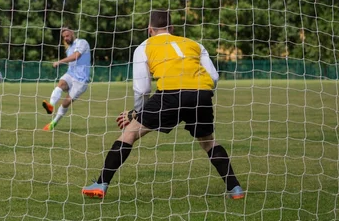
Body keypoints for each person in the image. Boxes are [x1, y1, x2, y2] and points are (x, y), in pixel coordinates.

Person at [82, 10, 244, 200]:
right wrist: (202, 95)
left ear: (150, 29)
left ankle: (101, 184)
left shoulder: (144, 46)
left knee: (129, 133)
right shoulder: (194, 45)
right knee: (208, 141)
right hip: (201, 94)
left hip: (170, 94)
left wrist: (136, 112)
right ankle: (235, 189)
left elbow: (142, 89)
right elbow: (214, 77)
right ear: (172, 28)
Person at [42, 27, 91, 131]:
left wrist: (59, 61)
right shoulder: (69, 48)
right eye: (64, 37)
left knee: (65, 103)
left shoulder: (82, 43)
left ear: (72, 34)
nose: (65, 38)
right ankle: (50, 105)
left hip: (81, 80)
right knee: (60, 84)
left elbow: (76, 56)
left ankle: (53, 123)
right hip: (70, 74)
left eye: (67, 36)